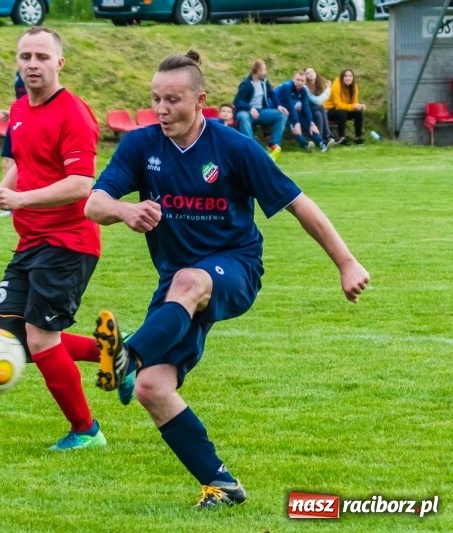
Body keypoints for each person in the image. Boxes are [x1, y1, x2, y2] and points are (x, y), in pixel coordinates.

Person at [85, 50, 370, 508]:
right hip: (178, 282)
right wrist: (124, 209)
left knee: (189, 283)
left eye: (173, 100)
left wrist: (346, 262)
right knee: (152, 389)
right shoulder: (140, 146)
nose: (161, 109)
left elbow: (298, 203)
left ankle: (128, 355)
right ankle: (221, 484)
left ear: (202, 101)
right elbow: (93, 204)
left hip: (236, 267)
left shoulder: (235, 148)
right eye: (155, 99)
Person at [0, 26, 118, 451]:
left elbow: (82, 183)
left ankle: (87, 432)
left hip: (68, 242)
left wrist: (21, 200)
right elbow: (22, 165)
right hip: (30, 241)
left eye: (42, 57)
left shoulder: (74, 114)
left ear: (59, 63)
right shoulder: (18, 110)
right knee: (11, 339)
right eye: (26, 56)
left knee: (40, 339)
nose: (33, 63)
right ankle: (116, 354)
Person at [232, 60, 288, 160]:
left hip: (261, 112)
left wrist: (278, 105)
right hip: (247, 112)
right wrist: (250, 108)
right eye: (264, 70)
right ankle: (251, 148)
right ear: (258, 71)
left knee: (282, 114)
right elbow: (237, 101)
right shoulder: (246, 84)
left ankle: (273, 145)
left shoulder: (264, 81)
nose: (265, 72)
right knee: (242, 116)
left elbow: (271, 93)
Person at [274, 70, 329, 152]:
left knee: (307, 121)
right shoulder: (287, 87)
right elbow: (290, 106)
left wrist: (311, 123)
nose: (299, 82)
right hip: (276, 107)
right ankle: (305, 144)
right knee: (293, 122)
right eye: (298, 80)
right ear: (293, 79)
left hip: (289, 108)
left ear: (305, 81)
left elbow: (306, 106)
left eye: (302, 80)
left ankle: (321, 143)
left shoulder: (303, 90)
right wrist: (297, 123)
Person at [324, 68, 366, 145]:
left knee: (358, 112)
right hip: (329, 110)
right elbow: (338, 105)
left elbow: (354, 103)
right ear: (342, 77)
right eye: (346, 76)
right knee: (342, 113)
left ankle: (358, 137)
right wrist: (353, 107)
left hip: (343, 109)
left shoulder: (354, 87)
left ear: (353, 78)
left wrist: (359, 106)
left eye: (350, 76)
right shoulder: (336, 85)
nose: (348, 78)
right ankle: (342, 138)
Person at [0, 71, 27, 177]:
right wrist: (11, 113)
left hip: (33, 122)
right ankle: (4, 193)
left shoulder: (39, 69)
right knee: (7, 161)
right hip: (17, 120)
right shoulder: (19, 72)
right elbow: (23, 100)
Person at [304, 67, 334, 144]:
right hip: (305, 109)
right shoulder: (305, 87)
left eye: (312, 72)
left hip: (315, 110)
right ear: (305, 76)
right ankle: (328, 134)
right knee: (320, 107)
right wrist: (328, 89)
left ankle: (320, 139)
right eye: (308, 73)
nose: (311, 74)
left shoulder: (318, 85)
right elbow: (316, 101)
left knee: (318, 114)